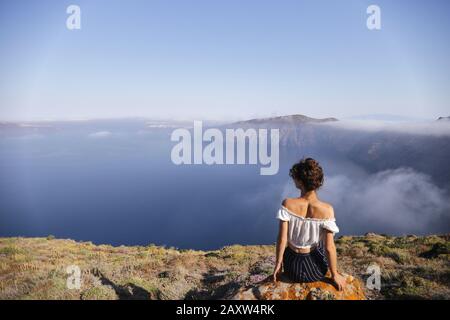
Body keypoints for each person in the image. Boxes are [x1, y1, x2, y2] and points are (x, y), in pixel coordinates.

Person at [273, 158, 346, 290]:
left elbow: (282, 238)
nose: (294, 180)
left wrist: (278, 264)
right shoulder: (327, 210)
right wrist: (334, 274)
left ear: (300, 182)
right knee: (320, 245)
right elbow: (330, 248)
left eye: (295, 177)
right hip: (316, 270)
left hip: (292, 269)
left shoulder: (287, 204)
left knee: (291, 245)